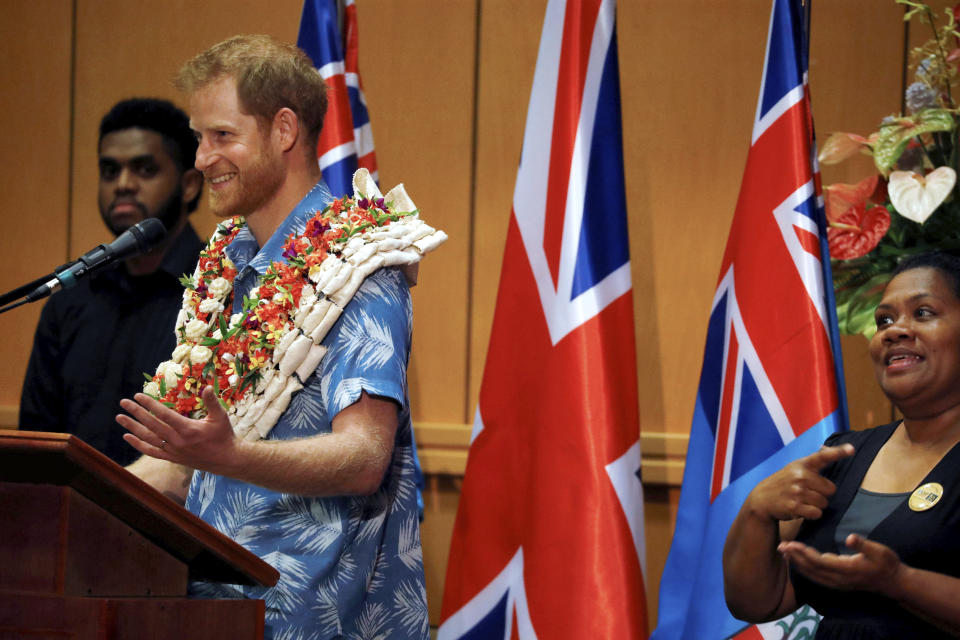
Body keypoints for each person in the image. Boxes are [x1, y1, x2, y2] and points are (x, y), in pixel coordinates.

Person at [116, 35, 428, 639]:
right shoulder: (224, 264)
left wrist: (230, 455)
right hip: (211, 607)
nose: (201, 159)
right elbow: (186, 467)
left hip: (317, 617)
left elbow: (364, 457)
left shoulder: (360, 265)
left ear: (284, 130)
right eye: (199, 137)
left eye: (222, 136)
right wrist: (69, 497)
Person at [723, 251, 960, 639]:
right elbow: (759, 602)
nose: (894, 330)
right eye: (885, 319)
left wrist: (899, 582)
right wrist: (756, 512)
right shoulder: (842, 455)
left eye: (923, 313)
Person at [20, 98, 204, 466]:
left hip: (175, 517)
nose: (123, 185)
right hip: (67, 515)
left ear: (189, 185)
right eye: (109, 171)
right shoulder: (69, 298)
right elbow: (35, 440)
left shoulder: (216, 291)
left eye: (145, 169)